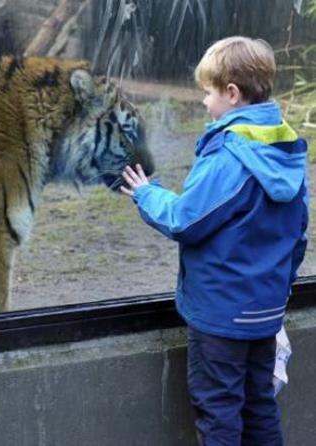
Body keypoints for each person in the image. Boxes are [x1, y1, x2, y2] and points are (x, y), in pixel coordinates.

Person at [120, 36, 308, 445]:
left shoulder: (229, 154)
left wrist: (146, 193)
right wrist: (276, 290)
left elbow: (188, 220)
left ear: (232, 94)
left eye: (207, 92)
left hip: (222, 319)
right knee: (259, 405)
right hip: (265, 312)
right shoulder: (286, 145)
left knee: (219, 412)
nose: (204, 102)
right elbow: (298, 235)